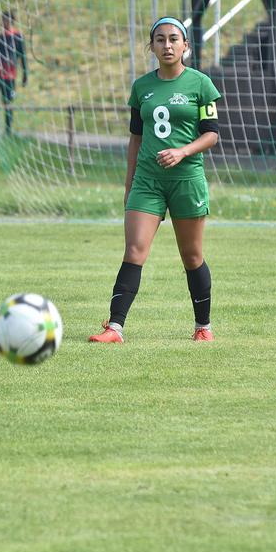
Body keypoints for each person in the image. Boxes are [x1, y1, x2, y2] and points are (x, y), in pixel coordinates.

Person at [89, 17, 220, 344]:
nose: (167, 45)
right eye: (160, 40)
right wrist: (129, 182)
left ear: (186, 46)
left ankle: (203, 326)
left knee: (191, 256)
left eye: (174, 39)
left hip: (186, 179)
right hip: (147, 181)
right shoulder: (142, 87)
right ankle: (115, 328)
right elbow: (135, 138)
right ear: (152, 47)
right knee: (134, 250)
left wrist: (182, 151)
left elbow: (212, 135)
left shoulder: (200, 84)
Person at [0, 10, 27, 136]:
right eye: (2, 20)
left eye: (6, 20)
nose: (4, 23)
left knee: (8, 101)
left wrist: (25, 74)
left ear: (11, 21)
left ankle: (8, 130)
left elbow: (22, 56)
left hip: (11, 75)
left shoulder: (18, 37)